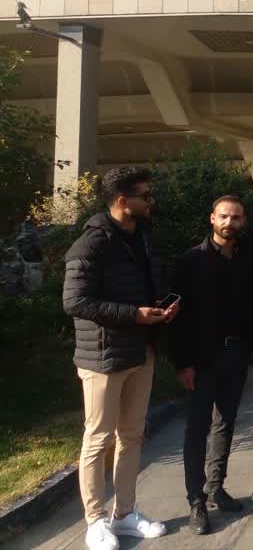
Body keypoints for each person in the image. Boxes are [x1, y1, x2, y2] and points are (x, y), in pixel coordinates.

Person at [62, 167, 177, 550]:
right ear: (123, 201)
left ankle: (125, 514)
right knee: (98, 440)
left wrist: (162, 307)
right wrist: (133, 315)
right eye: (145, 195)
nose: (151, 201)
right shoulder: (91, 243)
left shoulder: (143, 237)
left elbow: (147, 286)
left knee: (131, 436)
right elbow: (75, 301)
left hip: (141, 351)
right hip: (103, 357)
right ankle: (95, 521)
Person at [169, 195, 253, 534]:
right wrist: (183, 363)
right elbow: (176, 319)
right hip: (201, 360)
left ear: (243, 221)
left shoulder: (247, 259)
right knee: (197, 429)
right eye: (223, 216)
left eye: (235, 217)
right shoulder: (190, 261)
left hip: (236, 355)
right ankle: (196, 501)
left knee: (225, 423)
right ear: (212, 219)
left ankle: (216, 486)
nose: (229, 223)